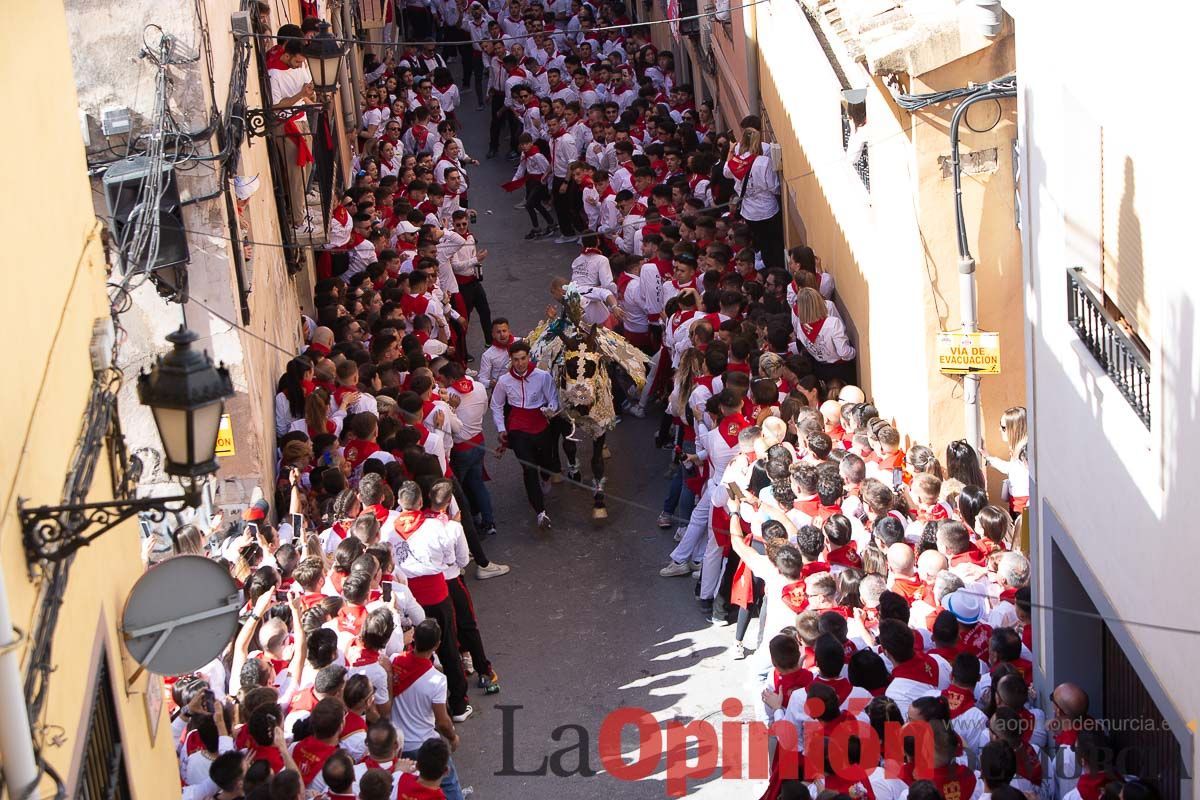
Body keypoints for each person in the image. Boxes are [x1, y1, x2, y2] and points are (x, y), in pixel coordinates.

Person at [391, 620, 467, 800]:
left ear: (414, 638)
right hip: (424, 744)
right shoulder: (437, 680)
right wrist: (453, 737)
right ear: (437, 645)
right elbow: (443, 722)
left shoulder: (394, 661)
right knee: (449, 783)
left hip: (397, 744)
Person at [490, 340, 559, 528]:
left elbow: (553, 398)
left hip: (540, 424)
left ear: (529, 357)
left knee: (546, 462)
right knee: (529, 468)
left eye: (523, 358)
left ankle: (545, 477)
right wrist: (501, 428)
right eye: (516, 359)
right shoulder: (504, 381)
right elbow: (496, 405)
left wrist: (550, 409)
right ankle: (540, 513)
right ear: (511, 360)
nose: (520, 363)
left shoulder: (543, 376)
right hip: (518, 429)